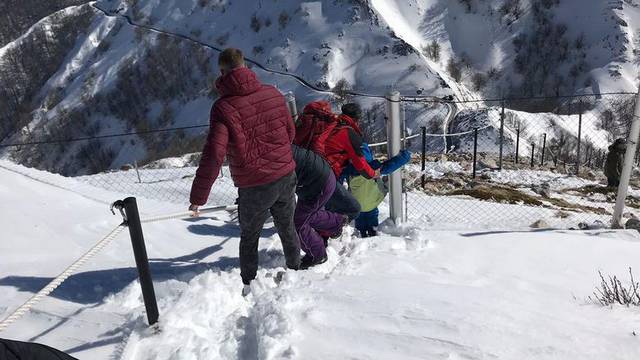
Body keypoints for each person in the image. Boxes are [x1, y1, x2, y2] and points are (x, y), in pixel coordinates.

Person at [189, 48, 300, 290]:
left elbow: (214, 155)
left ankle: (249, 282)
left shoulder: (223, 107)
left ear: (222, 71)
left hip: (254, 183)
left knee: (250, 235)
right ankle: (295, 269)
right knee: (287, 225)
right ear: (245, 66)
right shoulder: (272, 93)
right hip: (285, 174)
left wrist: (198, 198)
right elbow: (290, 132)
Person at [295, 101, 380, 222]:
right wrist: (372, 174)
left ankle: (316, 232)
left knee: (315, 210)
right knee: (353, 209)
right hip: (323, 175)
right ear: (357, 119)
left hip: (302, 171)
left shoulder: (330, 124)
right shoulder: (347, 132)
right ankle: (330, 228)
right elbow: (360, 164)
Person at [291, 144, 347, 269]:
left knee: (298, 223)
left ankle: (317, 254)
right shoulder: (279, 144)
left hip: (317, 184)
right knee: (306, 215)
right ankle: (336, 222)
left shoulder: (274, 155)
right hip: (320, 178)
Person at [342, 143, 411, 237]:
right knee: (372, 217)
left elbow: (338, 180)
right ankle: (373, 233)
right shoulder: (373, 168)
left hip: (357, 204)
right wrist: (404, 156)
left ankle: (360, 235)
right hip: (372, 202)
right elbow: (391, 165)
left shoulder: (347, 170)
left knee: (360, 219)